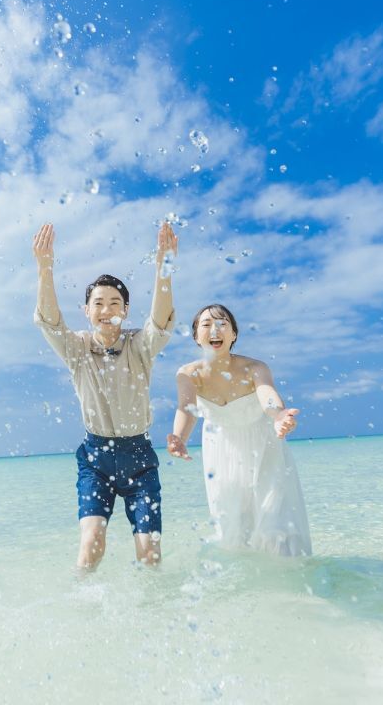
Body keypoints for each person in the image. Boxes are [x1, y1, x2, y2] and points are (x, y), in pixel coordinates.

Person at [32, 221, 178, 570]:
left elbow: (160, 320)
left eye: (115, 303)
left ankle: (152, 610)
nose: (107, 309)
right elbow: (50, 321)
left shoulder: (140, 347)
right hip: (95, 460)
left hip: (140, 460)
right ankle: (81, 613)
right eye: (98, 303)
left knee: (150, 553)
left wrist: (165, 265)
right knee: (92, 543)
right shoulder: (76, 349)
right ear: (87, 311)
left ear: (126, 311)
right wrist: (44, 267)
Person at [166, 303, 312, 557]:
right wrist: (179, 438)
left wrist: (278, 415)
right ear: (195, 335)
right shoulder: (189, 374)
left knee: (275, 521)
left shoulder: (255, 368)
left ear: (233, 334)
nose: (215, 329)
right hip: (222, 450)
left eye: (223, 324)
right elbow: (186, 408)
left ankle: (290, 584)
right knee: (234, 528)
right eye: (207, 324)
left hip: (264, 446)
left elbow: (267, 394)